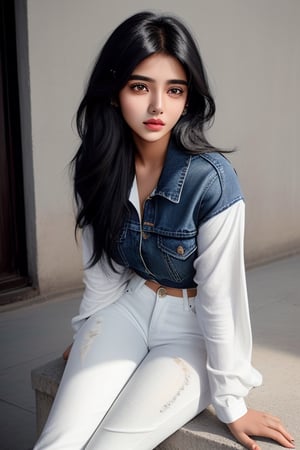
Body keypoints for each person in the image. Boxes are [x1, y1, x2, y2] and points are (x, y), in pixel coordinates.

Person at [34, 11, 295, 450]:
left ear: (188, 99)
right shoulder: (96, 166)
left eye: (174, 90)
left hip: (190, 330)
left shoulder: (211, 180)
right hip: (127, 309)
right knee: (56, 443)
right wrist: (88, 336)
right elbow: (102, 271)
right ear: (115, 92)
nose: (159, 106)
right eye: (141, 87)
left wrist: (232, 403)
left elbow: (222, 297)